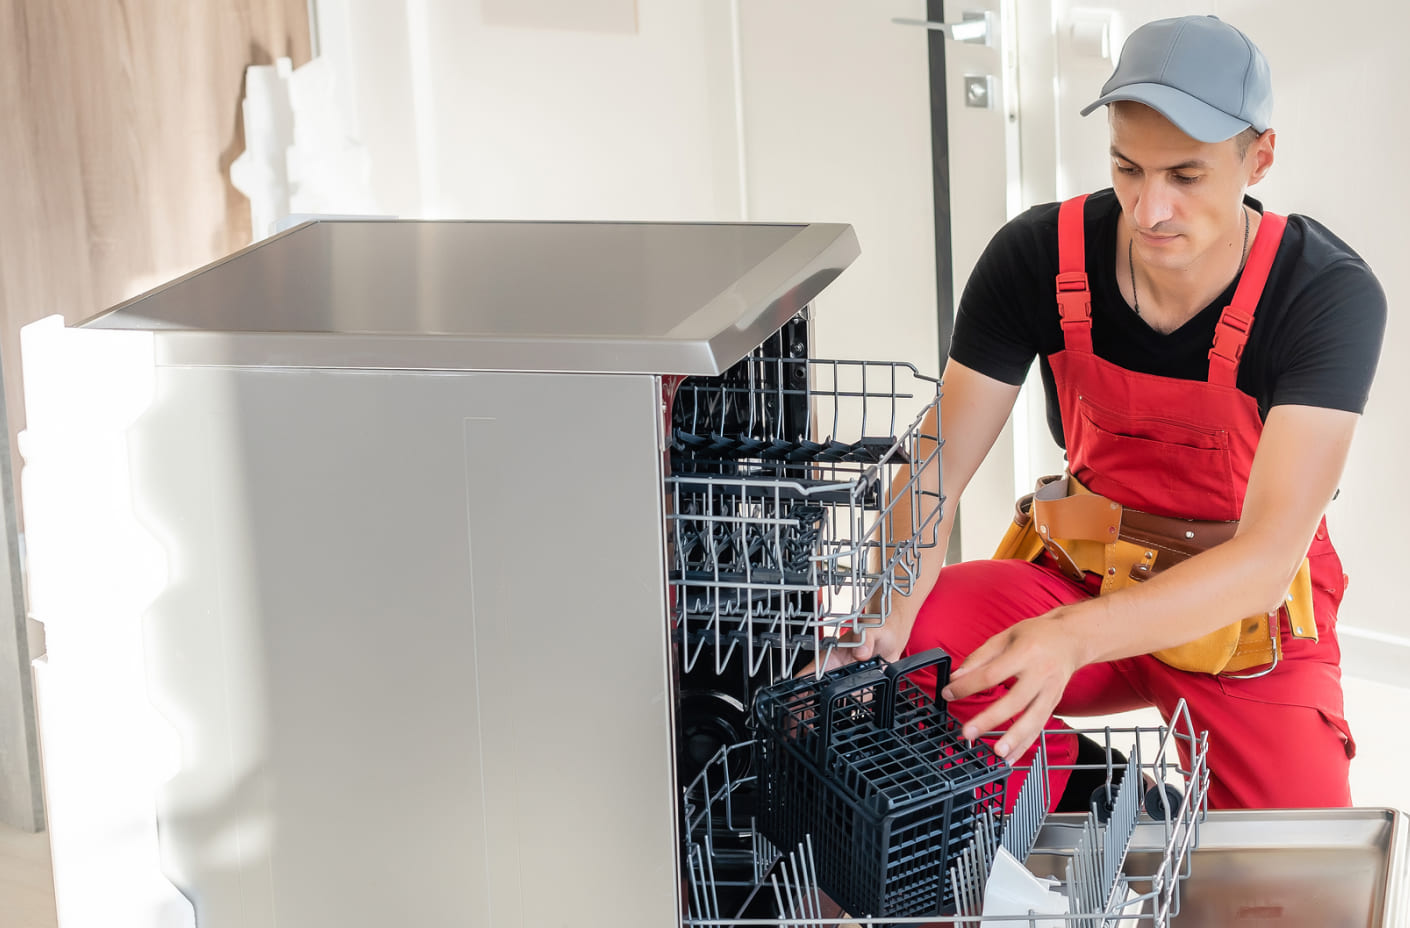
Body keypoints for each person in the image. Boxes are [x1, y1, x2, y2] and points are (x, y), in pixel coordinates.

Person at [847, 14, 1386, 810]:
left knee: (1291, 881)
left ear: (1259, 157)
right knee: (923, 651)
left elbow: (1269, 559)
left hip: (1244, 624)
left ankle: (1122, 801)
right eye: (1128, 168)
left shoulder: (1322, 294)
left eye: (1186, 176)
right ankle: (1093, 793)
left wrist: (1072, 640)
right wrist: (883, 609)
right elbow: (935, 472)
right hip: (1085, 579)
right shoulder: (1037, 257)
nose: (1150, 209)